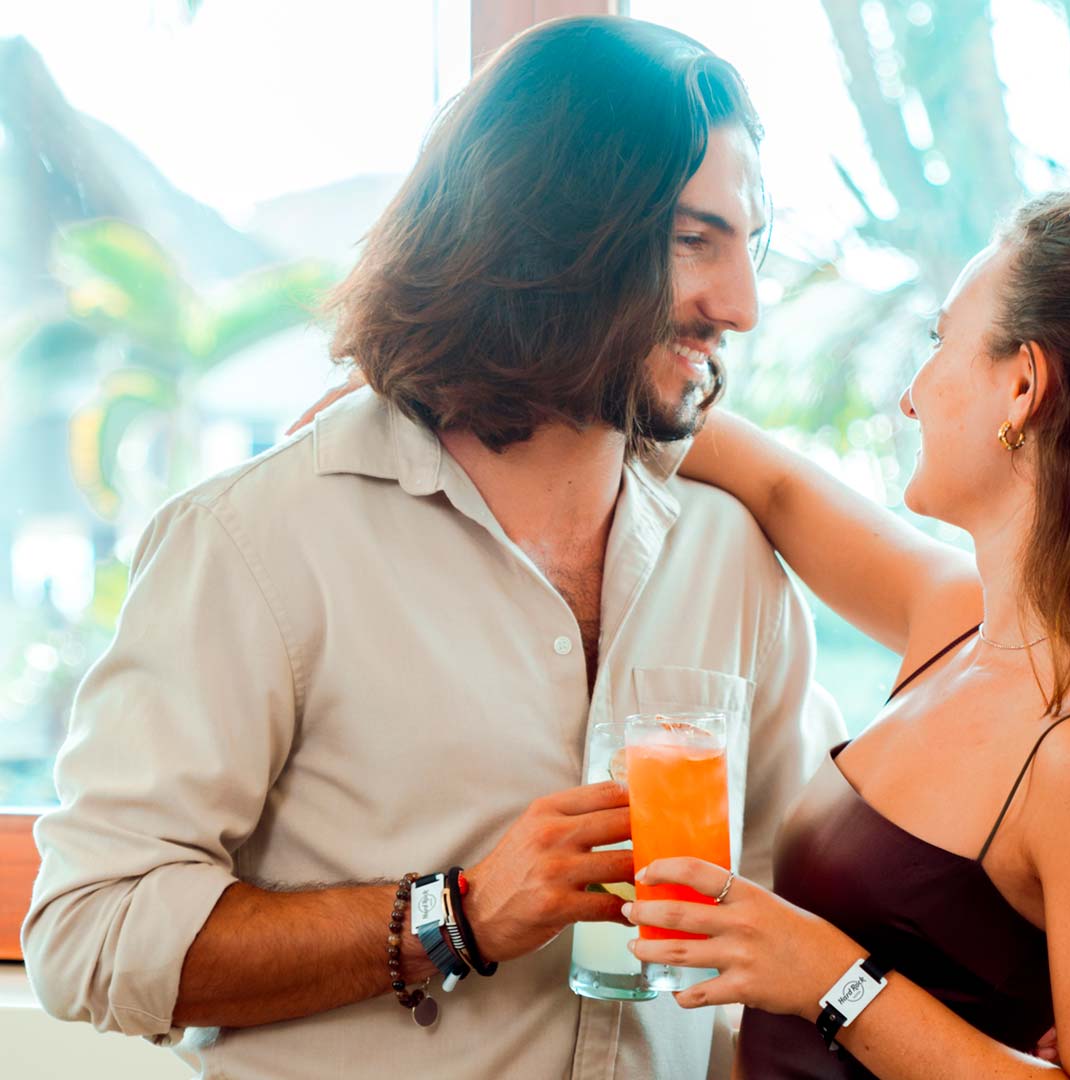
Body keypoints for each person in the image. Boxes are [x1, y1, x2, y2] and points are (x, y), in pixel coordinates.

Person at [22, 17, 839, 1080]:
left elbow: (797, 912)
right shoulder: (261, 544)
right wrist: (451, 917)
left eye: (748, 245)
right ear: (547, 235)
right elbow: (88, 934)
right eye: (693, 242)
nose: (741, 304)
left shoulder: (733, 560)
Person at [624, 190, 1070, 1078]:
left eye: (938, 343)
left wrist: (832, 979)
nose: (910, 398)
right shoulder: (956, 620)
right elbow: (770, 483)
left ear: (1023, 385)